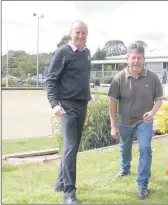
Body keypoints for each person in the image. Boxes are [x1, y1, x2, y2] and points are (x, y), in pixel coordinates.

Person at [108, 43, 163, 200]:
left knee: (145, 148)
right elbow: (112, 103)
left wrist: (152, 112)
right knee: (125, 149)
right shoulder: (119, 78)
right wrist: (113, 125)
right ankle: (125, 168)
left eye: (139, 58)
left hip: (144, 122)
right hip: (124, 121)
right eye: (133, 58)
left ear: (144, 59)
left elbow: (159, 99)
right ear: (127, 59)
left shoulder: (153, 77)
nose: (136, 61)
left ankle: (142, 184)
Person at [46, 20, 91, 204]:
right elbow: (51, 80)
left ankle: (60, 182)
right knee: (71, 147)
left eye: (84, 33)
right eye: (78, 32)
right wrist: (54, 105)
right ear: (70, 33)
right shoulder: (62, 52)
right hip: (67, 107)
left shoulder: (87, 53)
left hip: (82, 105)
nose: (81, 36)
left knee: (72, 148)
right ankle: (69, 193)